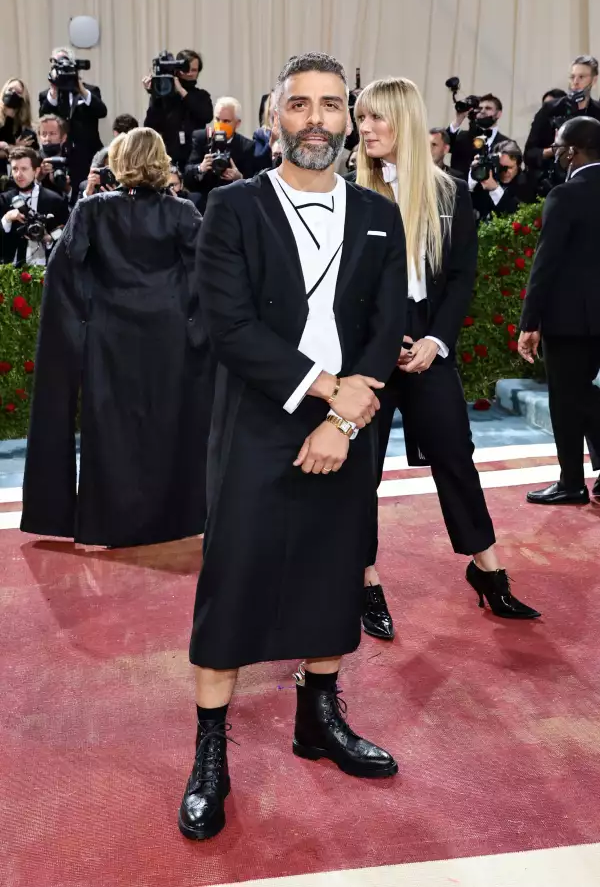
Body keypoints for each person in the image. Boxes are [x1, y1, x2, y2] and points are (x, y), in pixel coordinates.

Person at [178, 52, 408, 842]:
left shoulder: (380, 213)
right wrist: (326, 392)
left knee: (330, 569)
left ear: (349, 119)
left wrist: (346, 420)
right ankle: (211, 753)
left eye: (331, 105)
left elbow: (384, 327)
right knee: (234, 577)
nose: (317, 119)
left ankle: (319, 720)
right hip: (259, 417)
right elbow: (227, 325)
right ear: (277, 116)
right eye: (301, 104)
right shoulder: (234, 207)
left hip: (347, 425)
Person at [353, 76, 540, 642]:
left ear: (404, 121)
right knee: (360, 473)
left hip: (429, 345)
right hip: (367, 353)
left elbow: (460, 279)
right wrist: (382, 345)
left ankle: (487, 571)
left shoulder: (450, 193)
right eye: (361, 119)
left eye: (377, 118)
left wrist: (435, 341)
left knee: (456, 455)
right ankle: (364, 580)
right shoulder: (349, 195)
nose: (366, 129)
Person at [21, 128, 213, 547]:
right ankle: (172, 520)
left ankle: (111, 522)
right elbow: (210, 275)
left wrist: (71, 336)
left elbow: (64, 277)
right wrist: (198, 331)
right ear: (161, 161)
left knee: (111, 429)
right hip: (170, 339)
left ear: (119, 160)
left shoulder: (91, 210)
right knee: (168, 425)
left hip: (109, 339)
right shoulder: (183, 213)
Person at [519, 116, 600, 505]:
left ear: (574, 151)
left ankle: (571, 482)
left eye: (560, 145)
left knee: (568, 400)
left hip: (571, 320)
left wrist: (529, 321)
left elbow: (545, 263)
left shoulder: (566, 194)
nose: (557, 152)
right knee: (582, 395)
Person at [38, 47, 107, 192]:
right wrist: (54, 90)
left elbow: (102, 111)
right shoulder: (47, 95)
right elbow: (43, 117)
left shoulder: (90, 91)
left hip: (87, 154)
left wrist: (80, 88)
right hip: (59, 156)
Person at [525, 56, 600, 186]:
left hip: (592, 184)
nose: (575, 82)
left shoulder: (598, 111)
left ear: (594, 80)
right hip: (554, 184)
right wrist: (554, 150)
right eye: (572, 77)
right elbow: (529, 154)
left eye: (581, 77)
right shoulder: (550, 110)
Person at [183, 97, 258, 211]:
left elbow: (253, 183)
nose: (220, 124)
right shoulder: (201, 138)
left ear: (237, 124)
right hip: (205, 204)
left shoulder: (246, 146)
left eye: (226, 121)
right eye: (217, 119)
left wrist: (239, 178)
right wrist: (200, 168)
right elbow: (187, 174)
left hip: (233, 205)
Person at [143, 49, 213, 168]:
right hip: (169, 157)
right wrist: (155, 94)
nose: (190, 73)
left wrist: (182, 92)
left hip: (195, 158)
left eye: (194, 70)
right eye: (186, 69)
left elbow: (206, 116)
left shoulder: (202, 96)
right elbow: (150, 125)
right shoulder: (165, 97)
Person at [0, 147, 68, 265]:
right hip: (10, 270)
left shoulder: (54, 200)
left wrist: (49, 238)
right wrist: (7, 219)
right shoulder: (4, 199)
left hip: (46, 270)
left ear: (36, 171)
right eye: (15, 169)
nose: (18, 174)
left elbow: (67, 233)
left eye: (24, 169)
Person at [469, 139, 537, 223]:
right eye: (501, 167)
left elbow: (518, 214)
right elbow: (469, 210)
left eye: (510, 167)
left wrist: (495, 189)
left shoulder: (528, 182)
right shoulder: (488, 177)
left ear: (518, 164)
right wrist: (472, 181)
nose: (505, 171)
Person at [448, 94, 510, 178]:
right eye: (480, 108)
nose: (482, 111)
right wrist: (458, 120)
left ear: (498, 114)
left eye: (488, 108)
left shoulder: (507, 144)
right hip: (459, 189)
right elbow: (443, 145)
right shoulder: (462, 137)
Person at [0, 78, 38, 185]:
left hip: (18, 183)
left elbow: (32, 157)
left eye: (17, 92)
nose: (13, 94)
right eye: (10, 89)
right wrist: (14, 148)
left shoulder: (27, 131)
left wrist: (8, 149)